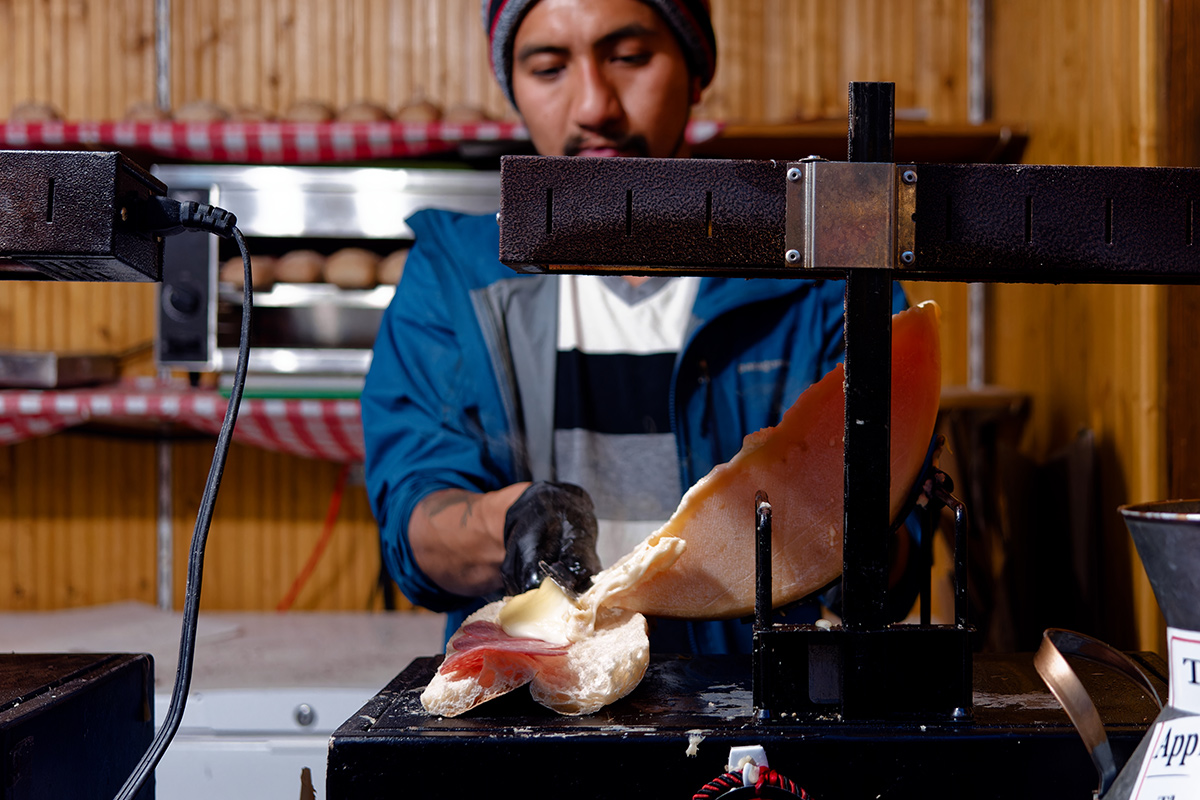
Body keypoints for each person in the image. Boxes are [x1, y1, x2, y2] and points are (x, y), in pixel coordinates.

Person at [362, 0, 912, 653]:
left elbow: (900, 559)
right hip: (536, 712)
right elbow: (416, 514)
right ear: (513, 87)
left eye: (629, 58)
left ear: (696, 70)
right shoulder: (457, 277)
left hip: (755, 722)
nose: (595, 105)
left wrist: (863, 543)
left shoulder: (820, 283)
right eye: (548, 68)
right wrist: (512, 524)